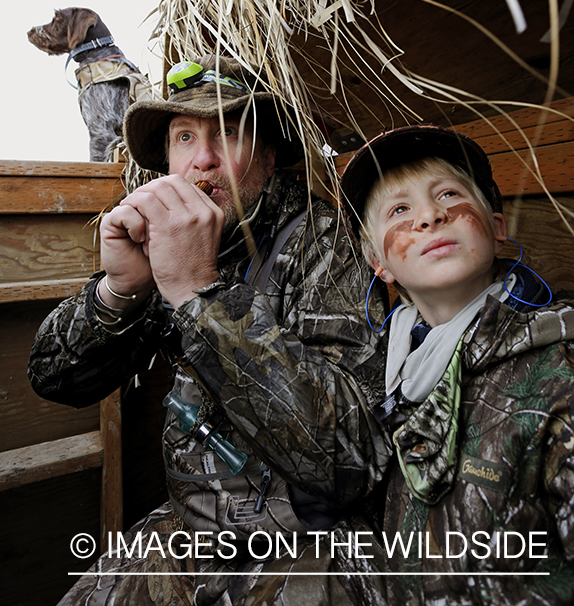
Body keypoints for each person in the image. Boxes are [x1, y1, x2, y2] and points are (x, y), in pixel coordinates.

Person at [28, 54, 391, 606]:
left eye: (228, 133)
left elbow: (349, 461)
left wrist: (199, 295)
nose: (203, 160)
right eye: (183, 137)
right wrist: (120, 290)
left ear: (269, 156)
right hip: (189, 528)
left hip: (304, 541)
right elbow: (54, 379)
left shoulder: (321, 241)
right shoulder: (168, 238)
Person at [339, 124, 574, 605]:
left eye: (449, 194)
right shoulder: (381, 373)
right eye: (400, 210)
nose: (430, 216)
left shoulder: (567, 381)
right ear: (379, 263)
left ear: (497, 228)